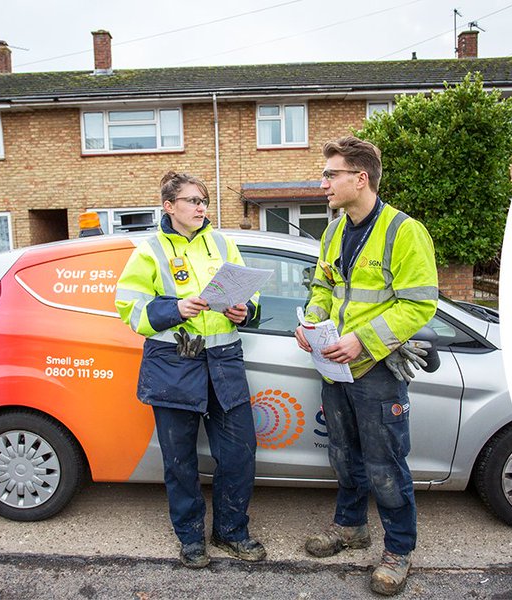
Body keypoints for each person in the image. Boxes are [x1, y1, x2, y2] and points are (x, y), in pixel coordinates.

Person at [295, 137, 438, 596]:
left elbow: (419, 305)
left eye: (331, 175)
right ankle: (350, 528)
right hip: (334, 368)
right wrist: (311, 322)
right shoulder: (333, 231)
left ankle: (398, 549)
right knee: (343, 456)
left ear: (361, 179)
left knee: (385, 464)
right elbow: (323, 289)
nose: (323, 184)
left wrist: (363, 340)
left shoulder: (404, 231)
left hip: (376, 371)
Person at [115, 171, 266, 568]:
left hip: (224, 363)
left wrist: (244, 310)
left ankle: (232, 532)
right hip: (174, 365)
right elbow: (130, 310)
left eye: (204, 201)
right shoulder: (149, 251)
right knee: (179, 461)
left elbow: (253, 297)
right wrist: (174, 309)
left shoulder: (223, 243)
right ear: (169, 206)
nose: (201, 207)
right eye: (192, 200)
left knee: (239, 453)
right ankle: (191, 538)